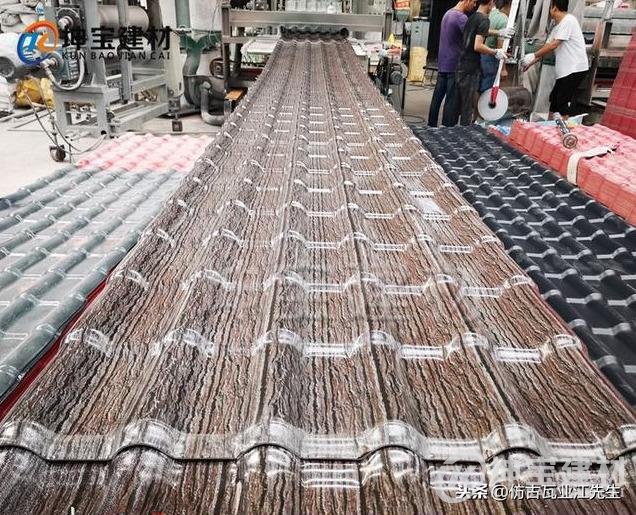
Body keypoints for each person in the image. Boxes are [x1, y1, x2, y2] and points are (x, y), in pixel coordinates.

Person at [521, 0, 588, 118]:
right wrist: (530, 62)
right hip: (565, 71)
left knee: (562, 102)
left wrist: (533, 55)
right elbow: (547, 48)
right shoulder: (557, 26)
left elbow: (554, 45)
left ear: (554, 8)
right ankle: (551, 124)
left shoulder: (569, 21)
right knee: (554, 100)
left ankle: (564, 126)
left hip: (574, 69)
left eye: (550, 7)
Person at [455, 0, 509, 125]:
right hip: (471, 67)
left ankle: (455, 129)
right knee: (467, 106)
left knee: (462, 103)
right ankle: (464, 131)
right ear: (490, 3)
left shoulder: (472, 17)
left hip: (462, 63)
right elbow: (478, 46)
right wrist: (495, 52)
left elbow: (478, 32)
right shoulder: (484, 19)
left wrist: (498, 32)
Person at [427, 0, 476, 127]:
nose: (474, 5)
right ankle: (446, 129)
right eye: (474, 2)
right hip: (454, 65)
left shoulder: (448, 14)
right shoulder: (461, 18)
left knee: (437, 98)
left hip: (443, 63)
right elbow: (474, 38)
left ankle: (431, 125)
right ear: (467, 1)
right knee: (451, 100)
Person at [480, 0, 512, 93]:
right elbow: (500, 46)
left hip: (483, 55)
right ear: (510, 5)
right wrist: (503, 69)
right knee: (487, 91)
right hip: (492, 59)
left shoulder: (492, 13)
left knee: (480, 87)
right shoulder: (505, 20)